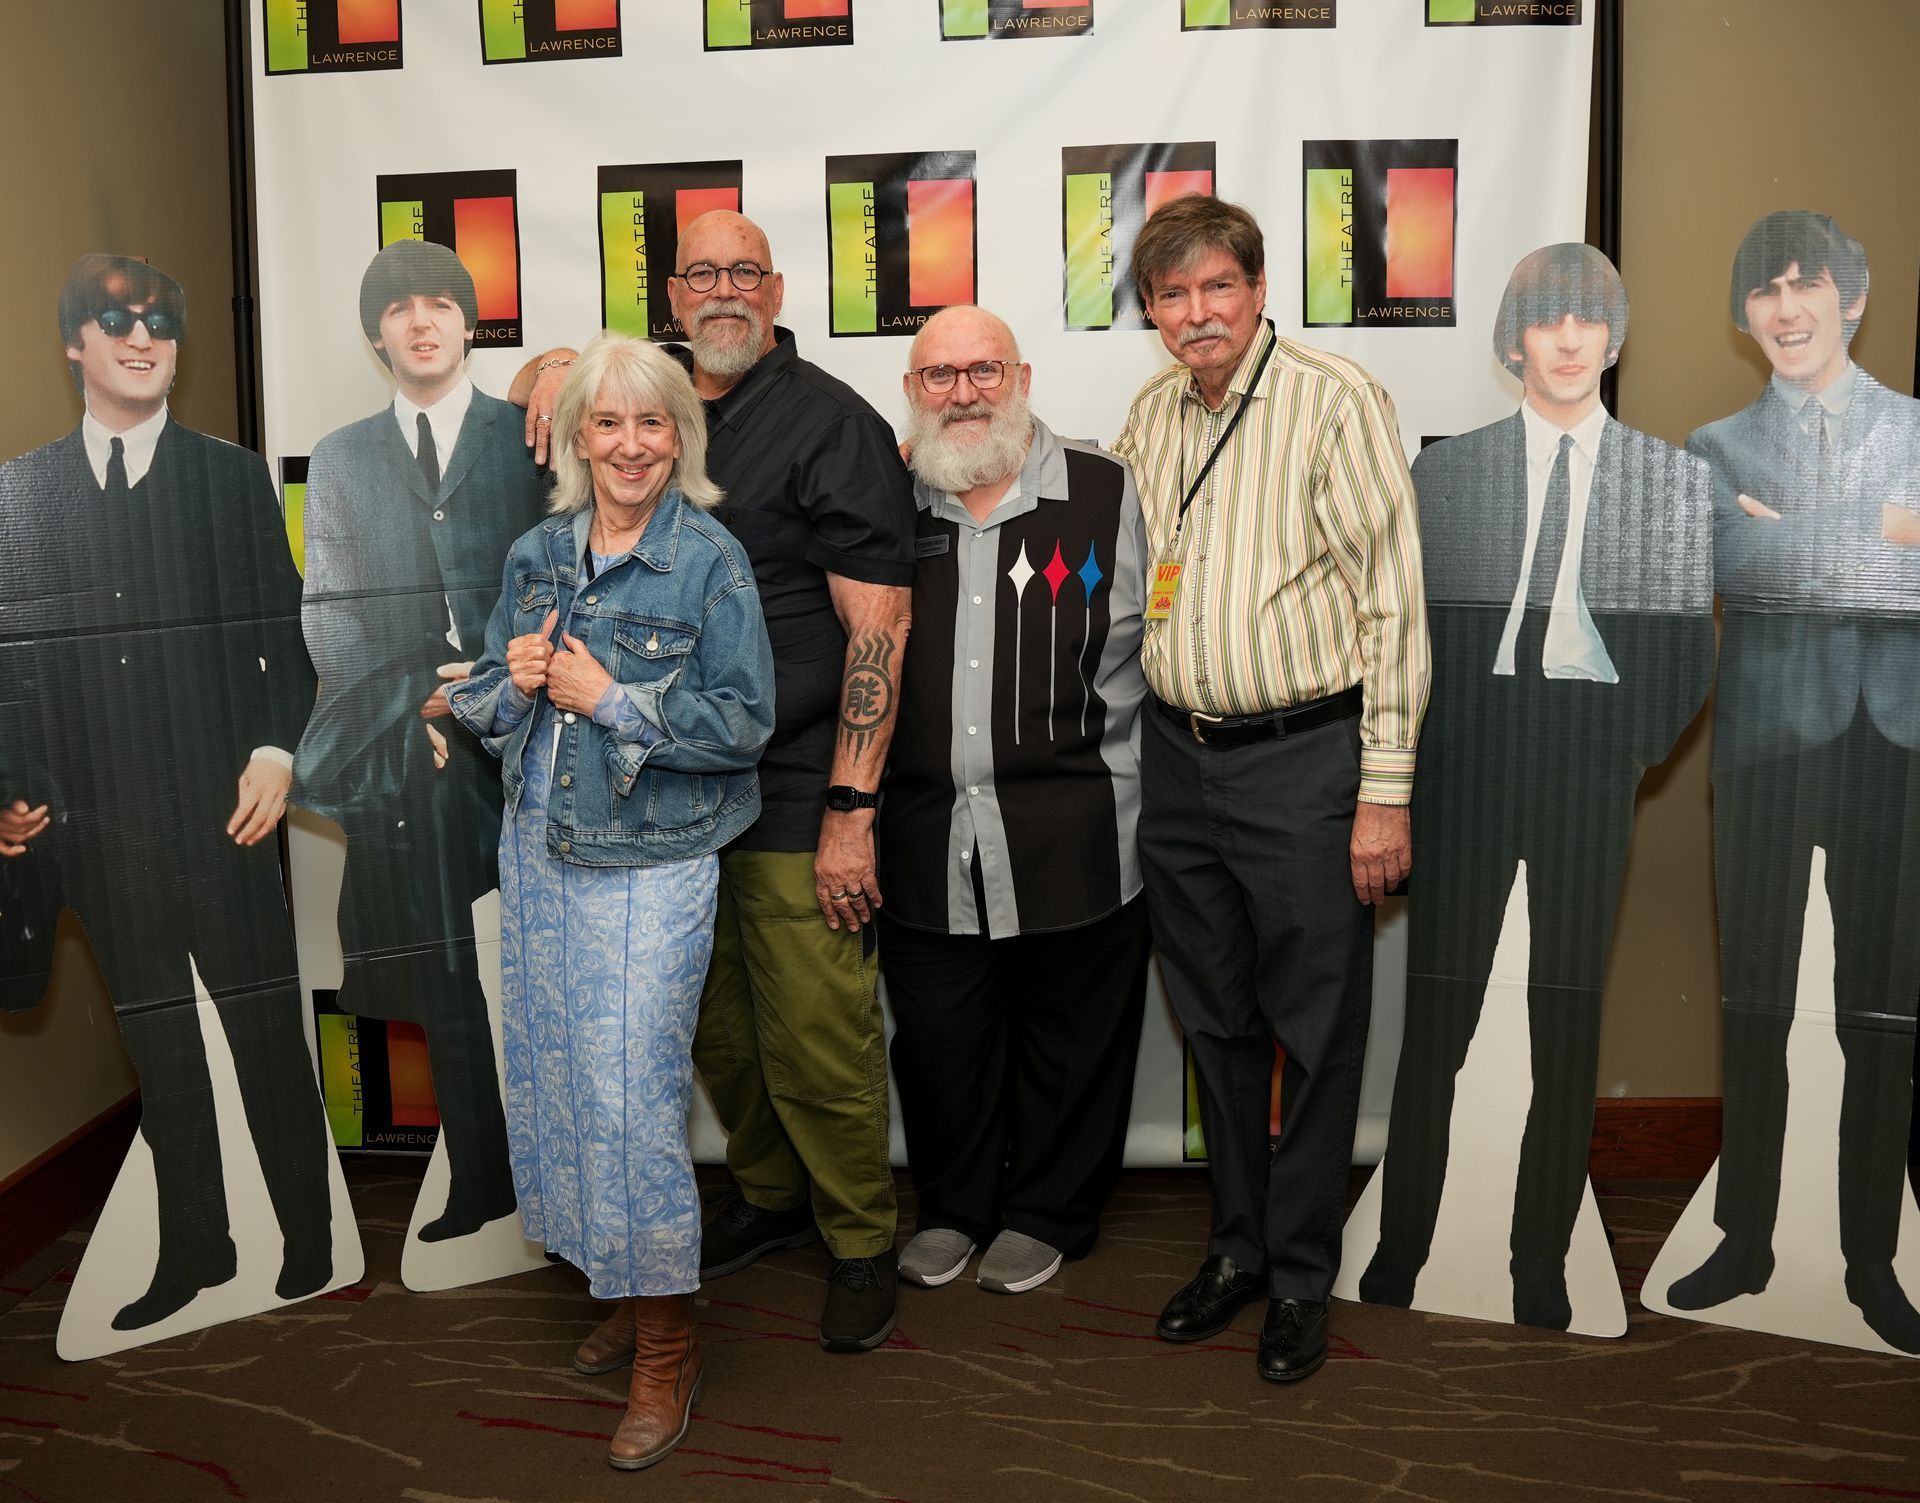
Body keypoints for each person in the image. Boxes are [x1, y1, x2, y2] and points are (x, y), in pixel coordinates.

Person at [511, 210, 915, 1352]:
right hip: (663, 792)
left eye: (746, 272)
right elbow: (561, 407)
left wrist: (851, 810)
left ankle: (858, 1237)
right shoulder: (658, 406)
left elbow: (877, 628)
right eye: (703, 274)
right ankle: (774, 1201)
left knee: (816, 1028)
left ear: (778, 289)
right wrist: (540, 368)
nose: (725, 292)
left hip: (793, 787)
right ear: (672, 296)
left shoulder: (834, 424)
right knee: (717, 1033)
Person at [1358, 244, 1715, 1328]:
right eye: (1546, 321)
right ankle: (1404, 1244)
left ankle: (1540, 1260)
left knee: (1565, 1020)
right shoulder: (1445, 475)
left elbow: (1683, 654)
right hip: (1463, 759)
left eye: (1589, 320)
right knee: (1441, 1019)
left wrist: (1616, 755)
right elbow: (1406, 640)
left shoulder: (1669, 482)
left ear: (1614, 338)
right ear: (1514, 341)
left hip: (1586, 766)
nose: (1568, 340)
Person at [1111, 195, 1429, 1383]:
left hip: (1307, 763)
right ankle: (1237, 1247)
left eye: (1216, 289)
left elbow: (1395, 604)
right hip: (1179, 765)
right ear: (1152, 312)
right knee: (1218, 1024)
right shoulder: (1150, 416)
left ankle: (1302, 1273)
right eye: (1172, 296)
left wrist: (1383, 792)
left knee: (1316, 1026)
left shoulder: (1333, 399)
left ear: (1255, 288)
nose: (1196, 315)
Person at [447, 332, 775, 1467]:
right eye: (607, 423)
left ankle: (667, 1342)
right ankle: (626, 1295)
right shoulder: (538, 550)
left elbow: (742, 727)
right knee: (556, 1083)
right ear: (575, 438)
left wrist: (615, 698)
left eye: (652, 424)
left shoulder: (710, 559)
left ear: (678, 436)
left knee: (631, 1099)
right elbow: (489, 698)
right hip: (539, 851)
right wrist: (514, 683)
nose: (630, 445)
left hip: (650, 866)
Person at [0, 254, 334, 1330]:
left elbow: (286, 635)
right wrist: (15, 791)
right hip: (96, 830)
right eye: (116, 321)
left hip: (222, 815)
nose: (143, 338)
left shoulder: (229, 479)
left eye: (159, 323)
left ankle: (309, 1239)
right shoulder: (24, 492)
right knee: (163, 1048)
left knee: (263, 1035)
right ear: (75, 344)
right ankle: (197, 1245)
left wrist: (279, 752)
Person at [1665, 211, 1920, 1353]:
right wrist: (1883, 535)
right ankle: (1747, 1235)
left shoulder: (1917, 431)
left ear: (1853, 298)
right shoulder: (1714, 447)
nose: (1785, 306)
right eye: (1762, 289)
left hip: (1895, 748)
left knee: (1883, 1010)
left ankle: (1874, 1255)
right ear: (1742, 314)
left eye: (1807, 282)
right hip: (1766, 747)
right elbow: (1729, 564)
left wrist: (1802, 541)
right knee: (1756, 1003)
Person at [880, 306, 1152, 1296]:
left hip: (1079, 827)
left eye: (982, 370)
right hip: (921, 829)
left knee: (1071, 1039)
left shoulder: (1108, 491)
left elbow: (1155, 647)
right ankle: (954, 1208)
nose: (963, 392)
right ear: (912, 393)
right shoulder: (886, 499)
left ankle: (1048, 1209)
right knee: (942, 1039)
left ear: (1022, 375)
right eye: (938, 376)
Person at [295, 240, 545, 1244]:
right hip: (416, 752)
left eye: (441, 303)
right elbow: (332, 612)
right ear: (375, 334)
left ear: (470, 322)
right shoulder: (345, 456)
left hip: (531, 735)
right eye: (399, 309)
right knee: (443, 966)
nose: (421, 322)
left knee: (540, 962)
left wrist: (483, 691)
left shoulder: (526, 437)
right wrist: (411, 713)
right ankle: (484, 1180)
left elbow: (565, 581)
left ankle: (556, 1169)